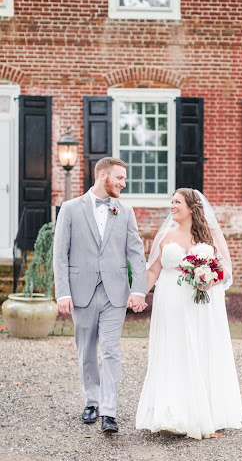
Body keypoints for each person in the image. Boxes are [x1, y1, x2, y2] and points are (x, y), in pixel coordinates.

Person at [136, 188, 242, 439]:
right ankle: (171, 412)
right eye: (171, 202)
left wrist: (210, 280)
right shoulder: (164, 235)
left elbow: (226, 269)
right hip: (171, 301)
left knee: (201, 348)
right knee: (173, 350)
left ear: (192, 208)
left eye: (177, 202)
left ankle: (206, 411)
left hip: (204, 304)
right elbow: (153, 271)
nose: (172, 206)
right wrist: (139, 294)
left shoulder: (211, 234)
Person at [53, 157, 148, 434]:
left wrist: (138, 289)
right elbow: (60, 254)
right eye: (119, 178)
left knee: (111, 350)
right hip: (81, 291)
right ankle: (91, 402)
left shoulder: (125, 211)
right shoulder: (70, 209)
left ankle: (109, 411)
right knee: (86, 352)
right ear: (103, 175)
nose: (123, 183)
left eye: (124, 179)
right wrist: (63, 292)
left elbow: (135, 252)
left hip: (114, 293)